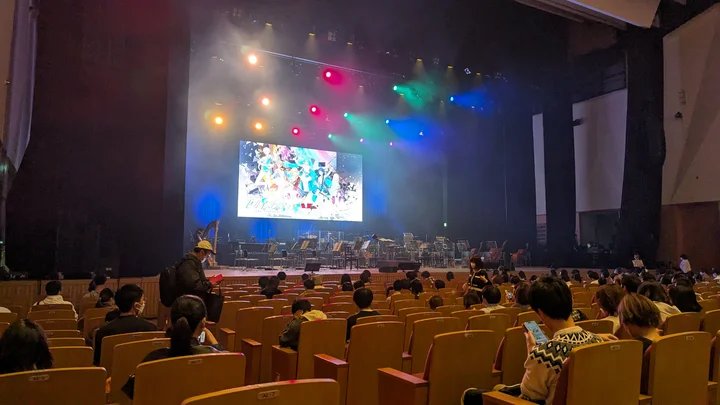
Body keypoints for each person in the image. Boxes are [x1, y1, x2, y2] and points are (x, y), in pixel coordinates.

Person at [517, 276, 603, 403]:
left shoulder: (543, 354)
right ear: (571, 302)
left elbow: (528, 396)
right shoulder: (598, 342)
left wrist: (531, 351)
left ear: (540, 313)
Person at [142, 295, 224, 362]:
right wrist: (216, 346)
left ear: (170, 321)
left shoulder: (153, 358)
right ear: (203, 322)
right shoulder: (214, 357)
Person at [93, 284, 156, 365]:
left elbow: (98, 362)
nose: (144, 302)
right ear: (136, 305)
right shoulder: (151, 328)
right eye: (143, 299)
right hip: (141, 371)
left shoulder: (103, 331)